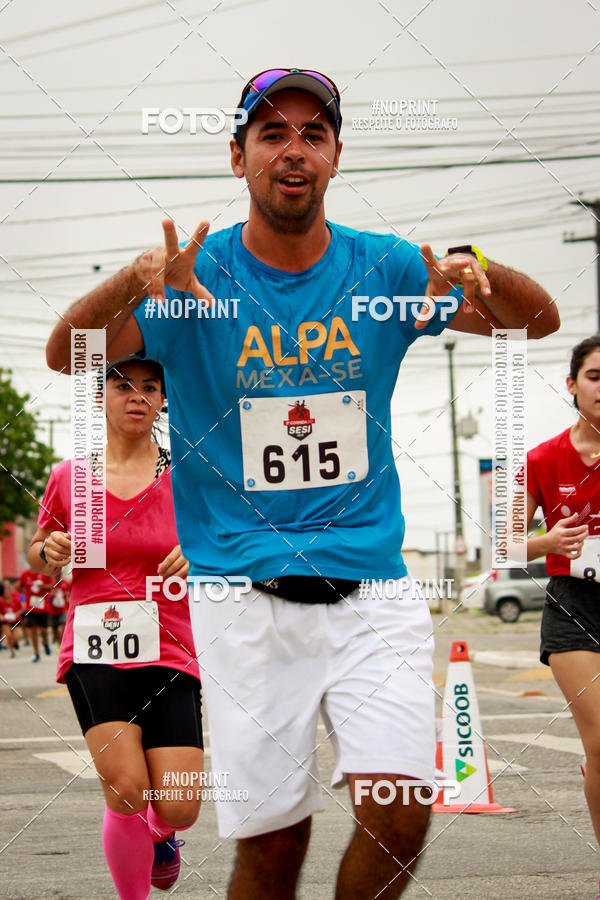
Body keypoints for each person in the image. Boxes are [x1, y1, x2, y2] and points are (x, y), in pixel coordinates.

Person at [46, 69, 559, 899]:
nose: (294, 150)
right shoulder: (193, 280)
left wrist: (477, 266)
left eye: (313, 134)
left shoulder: (385, 268)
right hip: (241, 598)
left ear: (335, 157)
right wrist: (134, 282)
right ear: (238, 156)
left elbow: (536, 321)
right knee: (275, 847)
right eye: (272, 133)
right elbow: (67, 354)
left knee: (400, 813)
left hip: (373, 587)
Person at [28, 357, 203, 899]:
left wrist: (199, 554)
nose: (137, 396)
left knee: (179, 804)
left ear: (163, 401)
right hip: (95, 647)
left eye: (150, 387)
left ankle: (162, 834)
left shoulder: (187, 474)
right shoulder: (70, 477)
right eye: (123, 386)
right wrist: (50, 551)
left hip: (171, 646)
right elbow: (38, 551)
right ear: (102, 398)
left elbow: (227, 541)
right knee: (126, 788)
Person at [519, 335, 600, 891]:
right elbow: (503, 544)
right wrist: (548, 541)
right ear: (572, 385)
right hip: (575, 605)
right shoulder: (542, 459)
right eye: (595, 376)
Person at [17, 568, 54, 661]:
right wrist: (23, 589)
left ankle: (45, 643)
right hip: (31, 608)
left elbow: (52, 586)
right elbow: (18, 587)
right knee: (33, 630)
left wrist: (43, 586)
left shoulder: (46, 573)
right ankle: (36, 653)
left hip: (43, 607)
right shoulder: (25, 574)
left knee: (44, 631)